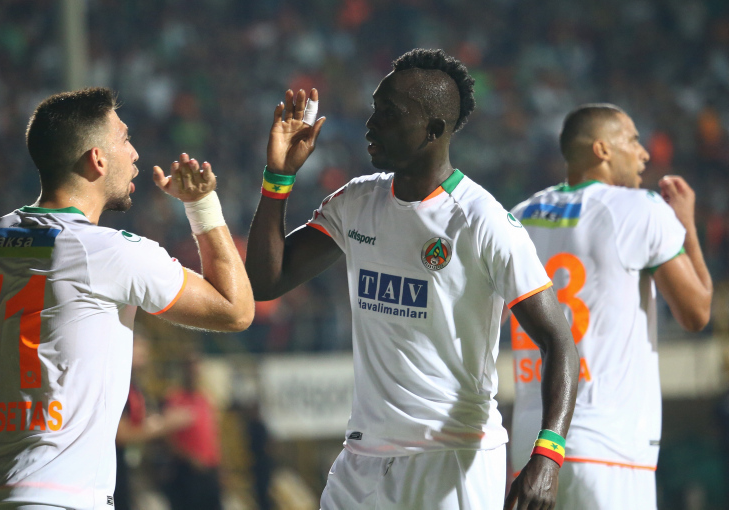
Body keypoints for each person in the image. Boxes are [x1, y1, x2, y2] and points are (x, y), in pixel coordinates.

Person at [245, 48, 580, 510]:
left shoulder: (482, 222)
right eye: (374, 109)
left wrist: (548, 456)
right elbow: (266, 282)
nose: (371, 124)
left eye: (389, 113)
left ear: (434, 130)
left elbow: (559, 342)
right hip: (361, 461)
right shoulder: (356, 203)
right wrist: (278, 178)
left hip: (453, 460)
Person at [0, 87, 255, 510]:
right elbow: (235, 309)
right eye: (124, 139)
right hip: (62, 500)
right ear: (97, 159)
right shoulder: (110, 252)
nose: (135, 154)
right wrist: (202, 205)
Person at [507, 104, 713, 509]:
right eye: (633, 140)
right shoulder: (641, 209)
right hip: (609, 448)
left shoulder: (518, 217)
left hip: (533, 451)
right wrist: (686, 225)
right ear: (602, 149)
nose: (644, 154)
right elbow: (696, 313)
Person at [113, 335, 192, 510]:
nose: (145, 351)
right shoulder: (116, 382)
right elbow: (122, 435)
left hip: (132, 464)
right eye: (137, 345)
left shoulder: (134, 383)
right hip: (116, 466)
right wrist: (166, 424)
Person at [161, 354, 223, 510]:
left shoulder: (206, 399)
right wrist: (190, 459)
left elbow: (214, 436)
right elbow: (167, 438)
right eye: (189, 367)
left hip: (209, 471)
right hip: (186, 472)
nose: (193, 371)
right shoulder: (174, 399)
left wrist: (220, 467)